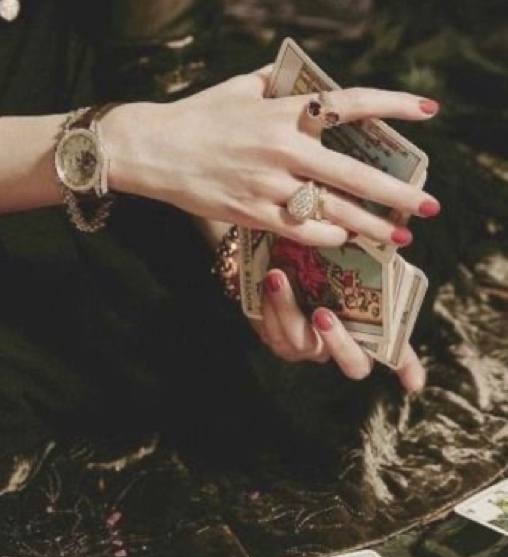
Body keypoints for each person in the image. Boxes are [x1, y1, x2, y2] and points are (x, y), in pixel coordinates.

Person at [0, 1, 439, 463]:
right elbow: (139, 144)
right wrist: (123, 145)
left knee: (302, 372)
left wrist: (246, 238)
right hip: (50, 171)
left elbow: (153, 53)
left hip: (110, 103)